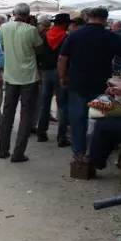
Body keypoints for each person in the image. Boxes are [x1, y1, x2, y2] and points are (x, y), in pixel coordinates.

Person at [59, 7, 121, 163]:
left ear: (88, 17)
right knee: (101, 118)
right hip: (100, 83)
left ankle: (78, 152)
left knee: (77, 119)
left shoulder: (74, 34)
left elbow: (62, 57)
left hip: (77, 82)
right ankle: (96, 152)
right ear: (105, 19)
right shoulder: (109, 36)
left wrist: (62, 76)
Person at [0, 3, 43, 163]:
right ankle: (18, 153)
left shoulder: (4, 28)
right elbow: (39, 49)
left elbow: (3, 46)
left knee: (7, 113)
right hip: (28, 77)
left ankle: (3, 150)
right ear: (28, 15)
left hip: (11, 76)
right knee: (26, 115)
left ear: (13, 13)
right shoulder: (32, 30)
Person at [36, 13, 71, 146]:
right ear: (64, 24)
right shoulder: (66, 37)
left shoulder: (45, 36)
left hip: (45, 72)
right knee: (62, 105)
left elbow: (38, 55)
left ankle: (41, 133)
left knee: (45, 103)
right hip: (61, 72)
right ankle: (61, 137)